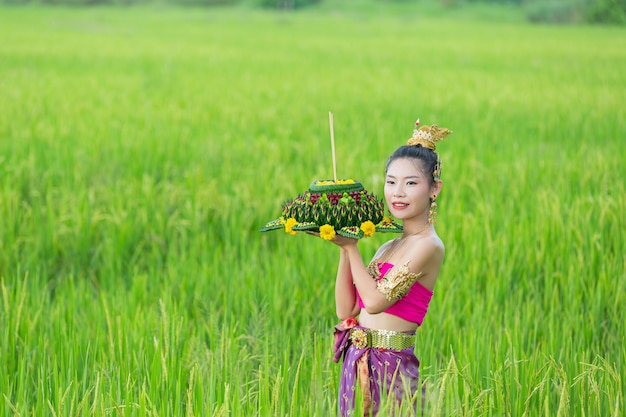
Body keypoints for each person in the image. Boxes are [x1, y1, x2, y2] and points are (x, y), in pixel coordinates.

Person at [319, 120, 452, 416]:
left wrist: (352, 248)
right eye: (391, 182)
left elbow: (377, 303)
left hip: (392, 367)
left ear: (434, 189)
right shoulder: (387, 247)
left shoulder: (428, 246)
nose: (398, 192)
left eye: (411, 183)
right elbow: (347, 310)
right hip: (358, 359)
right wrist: (344, 246)